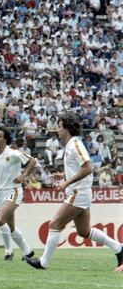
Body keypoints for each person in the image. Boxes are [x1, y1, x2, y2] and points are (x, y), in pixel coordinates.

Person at [24, 114, 123, 270]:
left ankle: (43, 262)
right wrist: (64, 175)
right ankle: (119, 248)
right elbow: (80, 168)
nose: (57, 130)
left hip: (78, 192)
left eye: (59, 126)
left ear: (67, 129)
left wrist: (66, 182)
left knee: (55, 224)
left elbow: (88, 168)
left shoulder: (74, 144)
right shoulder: (72, 144)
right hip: (81, 192)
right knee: (84, 231)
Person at [0, 126, 36, 261]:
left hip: (14, 190)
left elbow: (32, 161)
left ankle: (8, 251)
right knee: (11, 227)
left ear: (5, 139)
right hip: (0, 193)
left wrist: (23, 176)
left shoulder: (13, 153)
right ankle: (27, 251)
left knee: (0, 219)